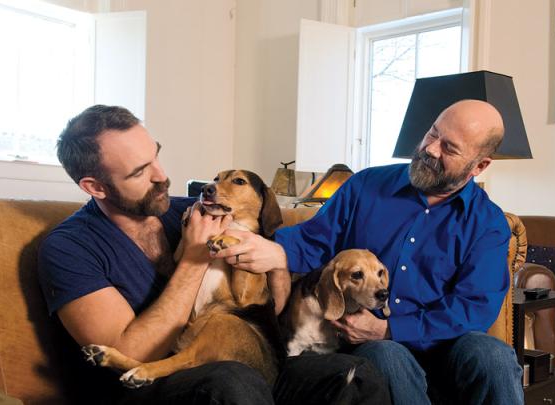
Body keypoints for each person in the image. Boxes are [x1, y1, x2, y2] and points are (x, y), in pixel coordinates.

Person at [37, 105, 391, 405]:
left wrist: (277, 261)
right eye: (140, 171)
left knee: (357, 375)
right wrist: (194, 258)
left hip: (248, 358)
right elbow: (132, 351)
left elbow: (265, 282)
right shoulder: (69, 248)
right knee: (232, 381)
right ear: (95, 186)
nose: (163, 177)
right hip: (157, 382)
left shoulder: (193, 211)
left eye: (155, 155)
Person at [213, 100, 524, 405]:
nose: (430, 148)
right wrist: (266, 246)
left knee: (493, 356)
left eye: (449, 148)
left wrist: (390, 329)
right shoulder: (366, 185)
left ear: (479, 166)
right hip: (368, 341)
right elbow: (316, 240)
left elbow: (474, 308)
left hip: (447, 343)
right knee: (385, 354)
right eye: (433, 133)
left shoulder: (488, 224)